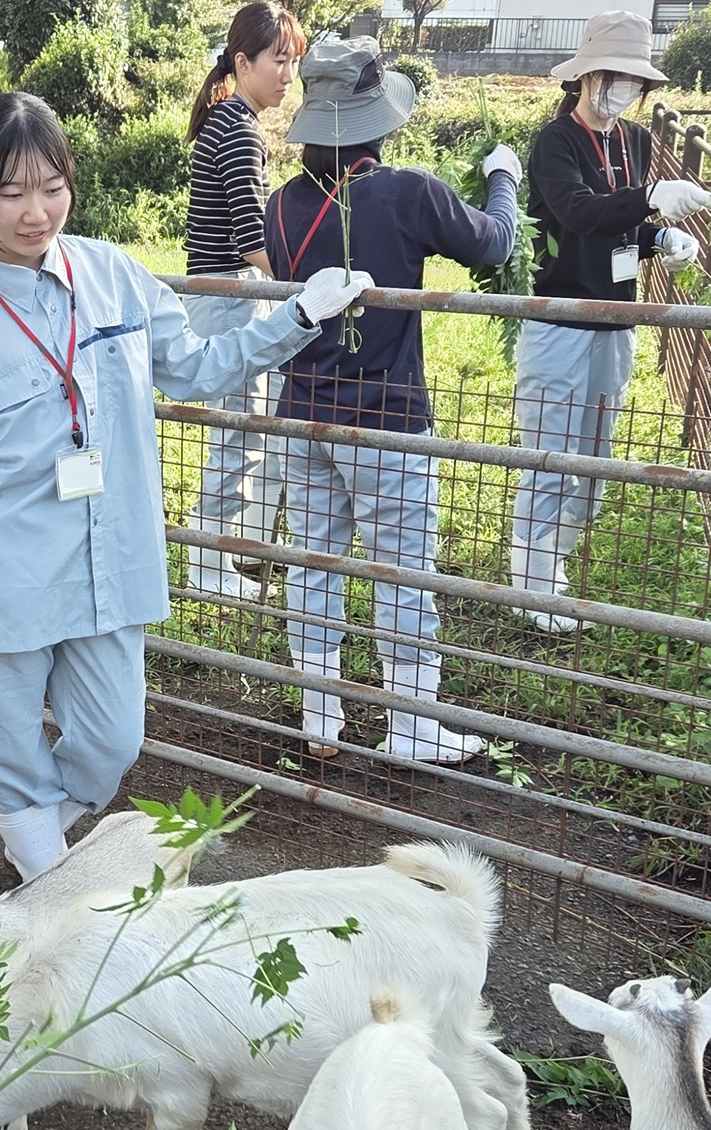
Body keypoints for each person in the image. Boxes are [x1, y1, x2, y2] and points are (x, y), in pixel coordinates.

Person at [0, 92, 367, 879]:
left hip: (107, 565)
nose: (34, 211)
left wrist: (298, 315)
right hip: (6, 575)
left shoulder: (114, 276)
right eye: (11, 191)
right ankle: (45, 882)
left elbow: (197, 367)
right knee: (11, 741)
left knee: (115, 739)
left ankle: (38, 849)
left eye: (51, 187)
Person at [262, 36, 521, 764]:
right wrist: (502, 175)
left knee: (313, 564)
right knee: (401, 570)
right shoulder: (411, 192)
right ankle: (411, 724)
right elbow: (495, 245)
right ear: (376, 118)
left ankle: (321, 716)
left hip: (302, 412)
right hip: (386, 423)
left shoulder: (282, 206)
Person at [510, 10, 711, 633]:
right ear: (585, 76)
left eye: (636, 80)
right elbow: (576, 212)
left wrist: (658, 239)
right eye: (615, 76)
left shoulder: (635, 141)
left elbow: (619, 223)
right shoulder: (554, 142)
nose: (624, 89)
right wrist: (649, 201)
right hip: (561, 318)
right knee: (551, 451)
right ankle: (531, 579)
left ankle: (556, 562)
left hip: (617, 317)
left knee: (595, 456)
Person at [178, 1, 306, 600]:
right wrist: (300, 290)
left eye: (293, 62)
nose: (288, 75)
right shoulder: (238, 129)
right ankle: (208, 565)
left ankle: (240, 551)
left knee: (250, 424)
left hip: (223, 291)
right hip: (229, 295)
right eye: (278, 61)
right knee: (238, 429)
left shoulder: (229, 121)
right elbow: (249, 236)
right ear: (243, 62)